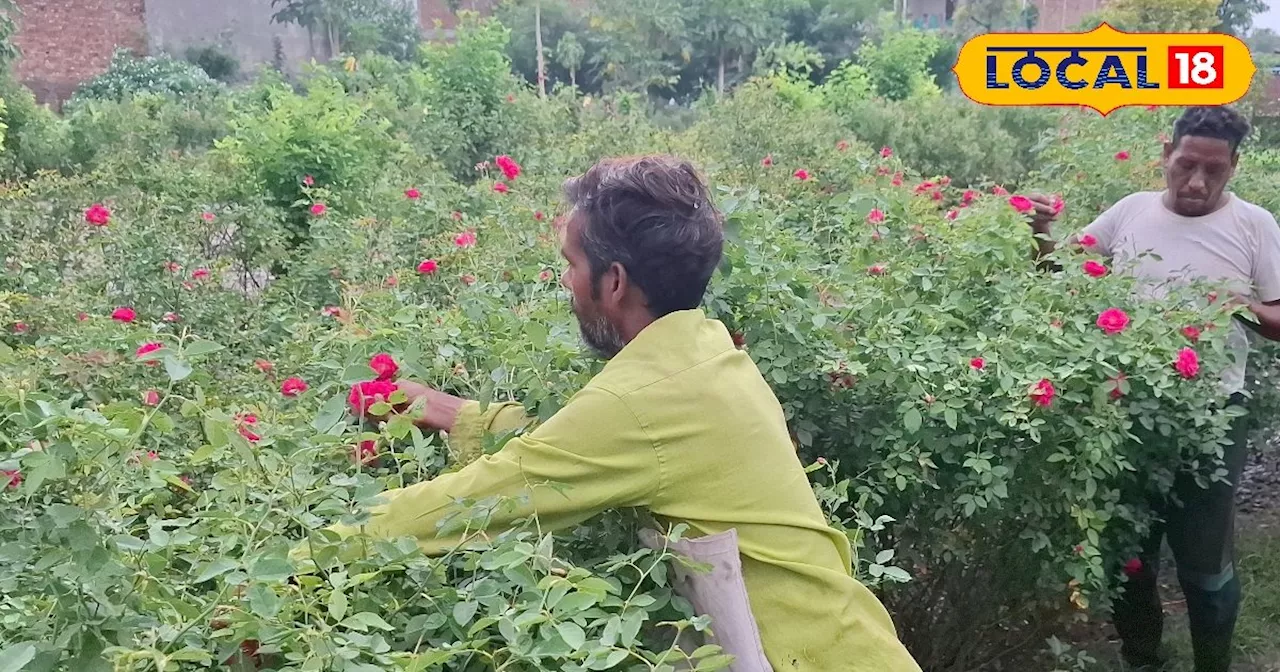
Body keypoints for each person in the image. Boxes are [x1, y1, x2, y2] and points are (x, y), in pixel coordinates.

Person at [319, 155, 921, 672]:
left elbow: (481, 501)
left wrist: (303, 554)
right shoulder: (705, 350)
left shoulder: (642, 400)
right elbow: (586, 444)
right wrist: (453, 413)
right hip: (846, 642)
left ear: (613, 281)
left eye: (571, 263)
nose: (564, 281)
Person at [1026, 106, 1280, 672]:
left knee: (1204, 562)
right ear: (1166, 156)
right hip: (1127, 411)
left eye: (1213, 171)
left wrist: (1234, 303)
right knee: (1129, 557)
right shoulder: (1131, 213)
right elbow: (1060, 273)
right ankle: (1144, 661)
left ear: (1233, 167)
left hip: (1214, 418)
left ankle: (1212, 663)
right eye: (1185, 165)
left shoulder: (1254, 225)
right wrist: (1041, 235)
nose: (1196, 181)